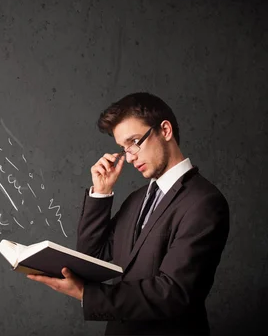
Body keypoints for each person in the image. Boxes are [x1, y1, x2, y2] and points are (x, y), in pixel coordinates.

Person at [27, 92, 230, 335]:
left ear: (165, 130)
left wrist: (86, 293)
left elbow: (174, 293)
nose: (130, 157)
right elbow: (93, 255)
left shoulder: (204, 202)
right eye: (124, 148)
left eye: (134, 142)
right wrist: (101, 192)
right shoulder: (137, 199)